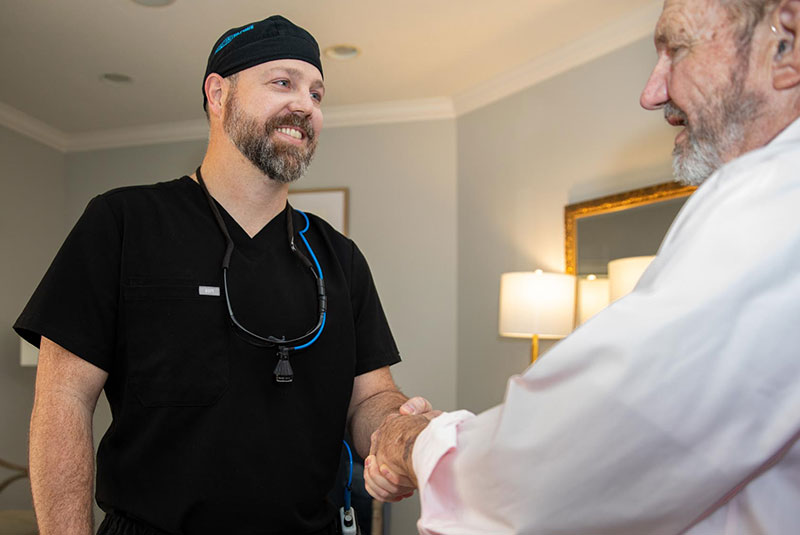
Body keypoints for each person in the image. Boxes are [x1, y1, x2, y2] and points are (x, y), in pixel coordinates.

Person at [366, 0, 800, 533]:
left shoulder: (775, 199)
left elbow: (544, 476)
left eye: (676, 49)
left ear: (787, 40)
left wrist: (414, 441)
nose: (652, 93)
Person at [15, 15, 426, 535]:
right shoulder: (122, 223)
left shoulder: (337, 256)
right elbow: (63, 400)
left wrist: (397, 431)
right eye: (283, 82)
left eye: (318, 93)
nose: (306, 105)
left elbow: (369, 397)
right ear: (217, 93)